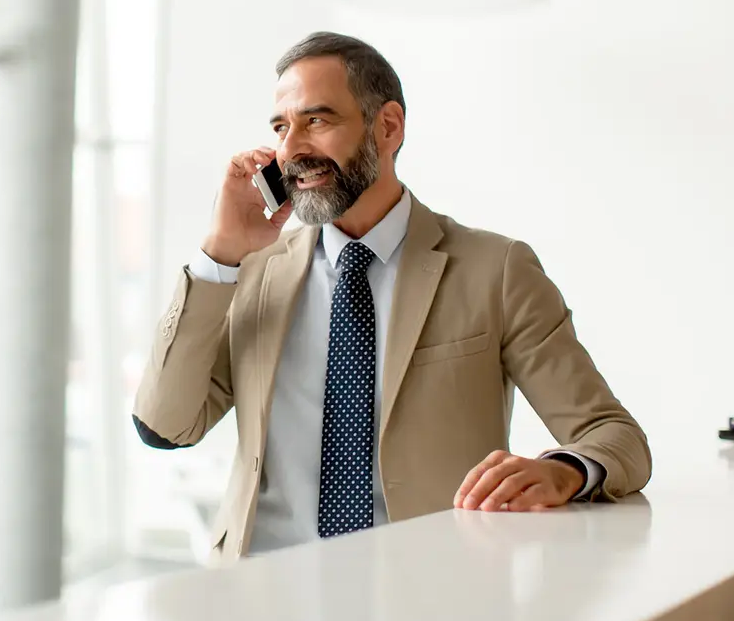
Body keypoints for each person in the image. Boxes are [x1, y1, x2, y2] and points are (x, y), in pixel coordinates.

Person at [133, 32, 650, 562]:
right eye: (281, 128)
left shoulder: (496, 271)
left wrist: (562, 471)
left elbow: (615, 435)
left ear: (388, 126)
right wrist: (220, 255)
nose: (290, 150)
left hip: (429, 597)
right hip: (263, 595)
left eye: (317, 120)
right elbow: (165, 426)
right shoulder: (252, 273)